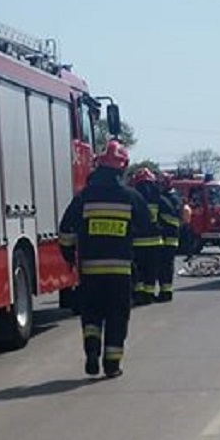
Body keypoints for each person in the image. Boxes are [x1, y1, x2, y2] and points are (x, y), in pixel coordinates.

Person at [58, 140, 153, 378]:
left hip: (90, 271)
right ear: (122, 167)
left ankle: (92, 353)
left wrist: (69, 255)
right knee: (117, 317)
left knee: (91, 317)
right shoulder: (130, 197)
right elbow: (146, 226)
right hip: (120, 272)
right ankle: (112, 365)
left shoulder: (84, 197)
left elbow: (66, 229)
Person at [128, 168, 173, 305]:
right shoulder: (160, 199)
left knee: (138, 271)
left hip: (136, 243)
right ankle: (149, 294)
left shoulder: (132, 198)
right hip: (155, 243)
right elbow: (171, 220)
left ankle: (139, 294)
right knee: (151, 270)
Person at [155, 174, 182, 302]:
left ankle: (166, 291)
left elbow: (172, 219)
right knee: (164, 266)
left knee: (165, 266)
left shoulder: (170, 198)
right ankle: (165, 291)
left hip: (169, 237)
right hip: (170, 237)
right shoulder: (173, 197)